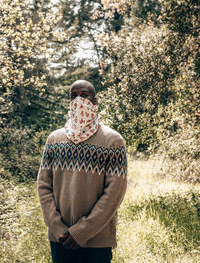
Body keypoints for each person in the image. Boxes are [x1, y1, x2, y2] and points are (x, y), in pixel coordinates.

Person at [37, 80, 127, 263]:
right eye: (73, 96)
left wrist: (82, 232)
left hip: (97, 242)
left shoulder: (113, 141)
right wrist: (58, 229)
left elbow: (115, 192)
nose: (79, 100)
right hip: (60, 240)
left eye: (84, 95)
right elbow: (44, 186)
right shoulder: (54, 139)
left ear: (94, 101)